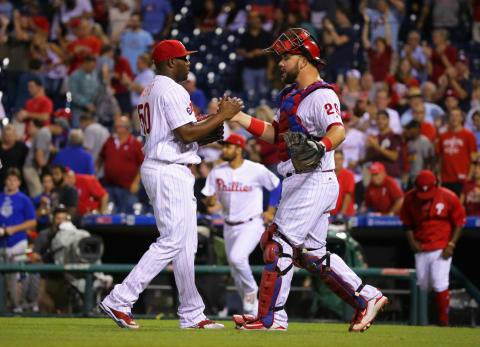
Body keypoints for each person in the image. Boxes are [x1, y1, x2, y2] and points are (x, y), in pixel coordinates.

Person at [229, 28, 387, 332]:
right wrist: (239, 118)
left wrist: (322, 146)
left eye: (286, 56)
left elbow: (337, 130)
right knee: (311, 254)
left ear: (303, 58)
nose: (280, 63)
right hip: (300, 180)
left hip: (313, 178)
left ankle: (271, 318)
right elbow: (276, 134)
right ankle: (367, 297)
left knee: (277, 244)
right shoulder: (290, 95)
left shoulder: (322, 93)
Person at [100, 39, 244, 329]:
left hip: (169, 166)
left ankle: (192, 312)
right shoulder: (171, 89)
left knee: (186, 244)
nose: (188, 63)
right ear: (169, 63)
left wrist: (219, 122)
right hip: (168, 169)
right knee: (173, 240)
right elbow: (187, 134)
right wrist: (221, 116)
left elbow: (185, 134)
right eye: (184, 58)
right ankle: (120, 298)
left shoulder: (152, 89)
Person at [201, 134, 281, 316]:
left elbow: (276, 186)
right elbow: (210, 201)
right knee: (235, 271)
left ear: (239, 149)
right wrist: (211, 202)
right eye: (223, 146)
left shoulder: (255, 169)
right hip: (229, 226)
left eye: (228, 147)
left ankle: (252, 290)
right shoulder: (217, 171)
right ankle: (252, 311)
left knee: (238, 259)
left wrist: (270, 210)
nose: (224, 150)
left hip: (251, 224)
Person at [400, 170, 466, 326]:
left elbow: (460, 222)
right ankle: (424, 321)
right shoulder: (410, 198)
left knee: (439, 283)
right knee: (424, 284)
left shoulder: (449, 196)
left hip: (441, 247)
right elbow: (406, 223)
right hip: (421, 247)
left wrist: (451, 244)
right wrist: (412, 241)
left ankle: (444, 322)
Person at [0, 168, 36, 312]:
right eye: (9, 179)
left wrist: (13, 229)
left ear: (19, 182)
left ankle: (20, 305)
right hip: (2, 244)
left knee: (20, 274)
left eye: (14, 180)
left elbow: (32, 222)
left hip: (20, 242)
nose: (11, 182)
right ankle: (6, 305)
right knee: (4, 277)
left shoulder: (24, 199)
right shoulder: (0, 197)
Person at [96, 116, 144, 213]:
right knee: (108, 216)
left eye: (118, 126)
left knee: (128, 217)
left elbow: (143, 165)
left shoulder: (135, 144)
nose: (115, 128)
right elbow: (101, 157)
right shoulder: (109, 141)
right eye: (115, 126)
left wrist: (136, 182)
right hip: (108, 186)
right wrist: (95, 172)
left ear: (126, 128)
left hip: (127, 189)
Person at [436, 107, 478, 196]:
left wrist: (469, 179)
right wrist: (439, 175)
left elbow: (473, 160)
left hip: (462, 180)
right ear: (448, 118)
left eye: (457, 115)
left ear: (461, 118)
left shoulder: (469, 135)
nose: (454, 118)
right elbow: (440, 158)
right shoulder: (443, 136)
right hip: (446, 179)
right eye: (452, 115)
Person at [331, 150, 355, 217]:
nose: (336, 162)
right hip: (330, 215)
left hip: (345, 215)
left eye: (339, 159)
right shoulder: (328, 174)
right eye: (334, 159)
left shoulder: (349, 174)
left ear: (343, 160)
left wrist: (342, 214)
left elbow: (348, 195)